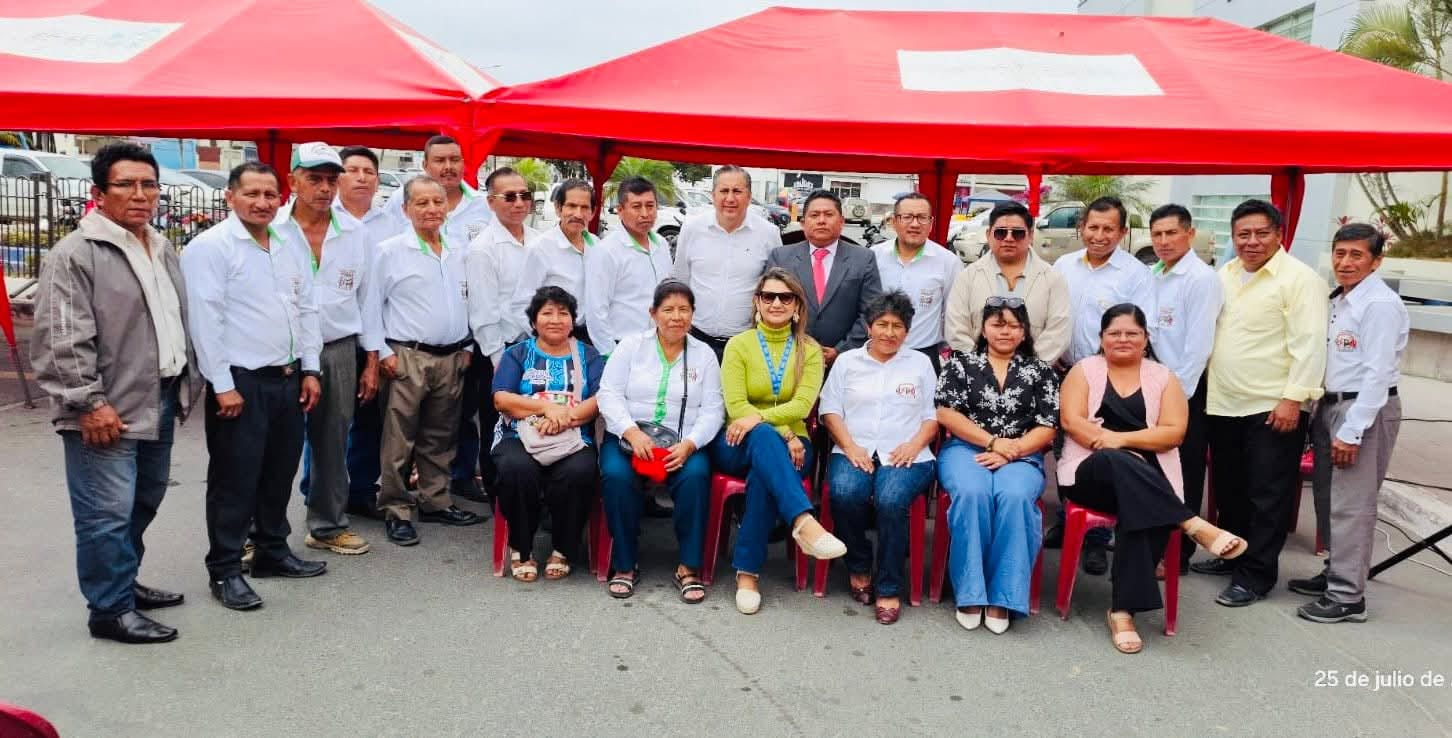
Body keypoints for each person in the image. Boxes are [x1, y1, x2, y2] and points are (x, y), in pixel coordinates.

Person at [32, 143, 195, 642]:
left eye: (149, 184)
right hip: (106, 408)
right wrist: (88, 402)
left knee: (142, 500)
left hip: (157, 396)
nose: (140, 194)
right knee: (105, 514)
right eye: (126, 184)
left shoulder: (159, 246)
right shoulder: (76, 254)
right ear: (99, 193)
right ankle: (109, 610)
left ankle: (123, 583)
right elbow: (62, 338)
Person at [1058, 304, 1248, 653]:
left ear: (1146, 339)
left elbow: (1174, 433)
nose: (1123, 339)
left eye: (1132, 333)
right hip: (1090, 473)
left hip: (1147, 478)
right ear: (1101, 338)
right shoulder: (1083, 371)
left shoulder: (1163, 377)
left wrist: (1121, 441)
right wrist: (1116, 449)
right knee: (1118, 465)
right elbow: (1072, 422)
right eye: (1114, 333)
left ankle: (1122, 612)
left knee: (1139, 501)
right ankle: (1189, 521)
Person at [181, 162, 327, 611]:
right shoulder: (211, 247)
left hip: (287, 377)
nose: (262, 203)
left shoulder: (287, 241)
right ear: (230, 197)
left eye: (270, 194)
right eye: (251, 194)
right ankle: (225, 569)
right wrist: (221, 385)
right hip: (240, 382)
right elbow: (205, 320)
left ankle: (271, 551)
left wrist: (311, 368)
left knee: (279, 471)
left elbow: (306, 307)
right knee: (234, 479)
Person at [1197, 199, 1328, 608]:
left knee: (1267, 494)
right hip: (1224, 402)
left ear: (1279, 235)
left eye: (1261, 233)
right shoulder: (1225, 274)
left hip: (1272, 406)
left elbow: (1310, 344)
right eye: (1243, 234)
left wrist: (1293, 399)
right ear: (1232, 237)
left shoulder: (1300, 280)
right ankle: (1233, 554)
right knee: (1230, 489)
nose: (1251, 241)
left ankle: (1256, 576)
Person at [1290, 224, 1408, 624]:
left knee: (1352, 504)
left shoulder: (1379, 304)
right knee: (1328, 497)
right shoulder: (1340, 299)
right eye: (1340, 253)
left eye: (1356, 255)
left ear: (1376, 261)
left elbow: (1378, 373)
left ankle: (1347, 596)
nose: (1345, 262)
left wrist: (1353, 430)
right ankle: (1334, 573)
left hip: (1362, 409)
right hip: (1331, 404)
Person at [713, 268, 845, 614]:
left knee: (764, 474)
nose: (776, 303)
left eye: (785, 297)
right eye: (768, 296)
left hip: (792, 445)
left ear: (797, 306)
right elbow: (736, 406)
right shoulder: (738, 345)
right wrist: (784, 432)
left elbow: (803, 405)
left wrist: (763, 421)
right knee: (763, 439)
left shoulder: (809, 350)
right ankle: (803, 520)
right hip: (738, 440)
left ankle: (747, 573)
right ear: (757, 302)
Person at [363, 176, 485, 547]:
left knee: (440, 435)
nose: (432, 209)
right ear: (405, 209)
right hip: (406, 357)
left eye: (437, 202)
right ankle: (396, 509)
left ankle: (435, 500)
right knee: (398, 439)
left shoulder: (459, 249)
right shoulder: (389, 251)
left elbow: (469, 300)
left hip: (452, 357)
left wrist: (468, 346)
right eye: (422, 203)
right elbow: (370, 306)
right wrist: (382, 353)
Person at [935, 298, 1059, 634]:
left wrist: (1012, 449)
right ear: (984, 329)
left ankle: (1004, 595)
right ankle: (971, 592)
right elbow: (946, 413)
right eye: (998, 324)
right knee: (972, 492)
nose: (1006, 332)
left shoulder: (1041, 371)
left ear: (1024, 332)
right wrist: (993, 443)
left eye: (1014, 326)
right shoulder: (960, 364)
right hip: (966, 449)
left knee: (1014, 497)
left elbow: (1048, 426)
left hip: (1022, 453)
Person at [276, 142, 374, 557]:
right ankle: (259, 533)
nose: (324, 188)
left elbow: (368, 300)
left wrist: (370, 360)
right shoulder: (272, 228)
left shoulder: (355, 232)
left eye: (331, 180)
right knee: (274, 444)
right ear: (292, 180)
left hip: (337, 348)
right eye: (314, 178)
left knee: (333, 440)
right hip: (283, 351)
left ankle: (328, 525)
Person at [597, 281, 724, 601]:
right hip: (629, 439)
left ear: (693, 315)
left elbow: (713, 409)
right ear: (653, 314)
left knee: (696, 476)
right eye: (668, 309)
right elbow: (608, 394)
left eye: (684, 310)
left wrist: (691, 443)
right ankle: (625, 563)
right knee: (616, 476)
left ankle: (688, 566)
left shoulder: (704, 355)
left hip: (682, 442)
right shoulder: (631, 346)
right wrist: (630, 431)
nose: (676, 317)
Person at [818, 292, 939, 624]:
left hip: (908, 454)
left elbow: (933, 415)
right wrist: (850, 446)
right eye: (882, 324)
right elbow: (830, 410)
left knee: (890, 499)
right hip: (854, 447)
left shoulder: (920, 364)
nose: (889, 332)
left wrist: (914, 444)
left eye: (897, 326)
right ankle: (859, 564)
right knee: (845, 492)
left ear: (907, 331)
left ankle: (888, 586)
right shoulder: (847, 362)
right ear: (869, 327)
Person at [1051, 196, 1155, 575]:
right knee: (1064, 448)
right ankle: (1067, 519)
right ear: (1082, 228)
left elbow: (1140, 328)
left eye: (1108, 228)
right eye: (1092, 227)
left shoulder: (1135, 275)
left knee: (1097, 450)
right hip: (1064, 371)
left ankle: (1096, 539)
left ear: (1122, 232)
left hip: (1109, 377)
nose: (1099, 235)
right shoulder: (1063, 266)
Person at [491, 286, 605, 582]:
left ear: (572, 321)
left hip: (573, 435)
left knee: (579, 471)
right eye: (547, 313)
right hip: (518, 435)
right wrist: (545, 409)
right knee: (516, 468)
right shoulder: (517, 354)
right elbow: (501, 399)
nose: (555, 320)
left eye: (563, 313)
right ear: (533, 321)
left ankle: (563, 548)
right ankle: (521, 547)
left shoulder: (588, 355)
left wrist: (563, 419)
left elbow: (599, 400)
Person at [1145, 204, 1223, 568]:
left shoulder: (1201, 279)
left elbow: (1198, 347)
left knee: (1184, 471)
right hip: (1154, 385)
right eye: (1157, 234)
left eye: (1171, 233)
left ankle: (1179, 554)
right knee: (1155, 468)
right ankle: (1153, 543)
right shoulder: (1155, 273)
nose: (1164, 241)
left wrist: (1176, 398)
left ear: (1190, 234)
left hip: (1184, 390)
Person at [458, 167, 540, 506]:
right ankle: (499, 498)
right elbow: (483, 311)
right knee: (496, 423)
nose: (519, 203)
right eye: (509, 196)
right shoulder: (483, 248)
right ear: (491, 202)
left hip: (536, 345)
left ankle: (531, 493)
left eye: (524, 195)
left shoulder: (539, 240)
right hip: (500, 349)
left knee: (534, 418)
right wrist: (497, 360)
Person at [334, 145, 404, 520]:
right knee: (328, 423)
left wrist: (380, 349)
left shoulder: (391, 223)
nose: (361, 177)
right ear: (338, 176)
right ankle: (321, 495)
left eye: (369, 171)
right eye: (353, 170)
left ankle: (360, 490)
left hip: (377, 335)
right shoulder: (324, 218)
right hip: (336, 338)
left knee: (368, 420)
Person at [671, 165, 781, 359]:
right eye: (724, 191)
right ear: (713, 195)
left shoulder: (768, 234)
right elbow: (681, 282)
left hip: (747, 343)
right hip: (696, 339)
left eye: (737, 191)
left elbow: (776, 289)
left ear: (749, 196)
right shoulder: (692, 229)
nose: (730, 198)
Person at [764, 189, 883, 365]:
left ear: (841, 221)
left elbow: (872, 311)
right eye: (814, 215)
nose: (821, 220)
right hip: (788, 358)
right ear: (803, 223)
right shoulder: (781, 257)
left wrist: (841, 350)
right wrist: (793, 346)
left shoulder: (864, 258)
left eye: (828, 214)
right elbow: (769, 305)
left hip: (845, 361)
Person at [944, 201, 1071, 365]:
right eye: (1001, 233)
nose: (1009, 238)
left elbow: (1058, 332)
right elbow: (956, 330)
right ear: (988, 234)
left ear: (1031, 236)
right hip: (977, 373)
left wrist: (1029, 369)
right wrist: (983, 368)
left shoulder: (1053, 279)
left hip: (1035, 373)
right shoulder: (967, 277)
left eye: (1017, 233)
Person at [871, 193, 963, 373]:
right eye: (907, 217)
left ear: (931, 223)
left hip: (923, 355)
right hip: (876, 353)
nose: (915, 224)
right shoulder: (874, 256)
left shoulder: (948, 262)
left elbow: (953, 314)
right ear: (894, 221)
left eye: (922, 217)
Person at [583, 176, 673, 354]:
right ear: (620, 210)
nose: (645, 213)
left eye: (650, 206)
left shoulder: (661, 244)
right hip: (623, 346)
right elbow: (596, 311)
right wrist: (610, 354)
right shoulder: (606, 251)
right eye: (636, 206)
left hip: (660, 345)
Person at [510, 179, 597, 343]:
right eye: (571, 206)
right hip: (554, 337)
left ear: (592, 212)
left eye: (585, 207)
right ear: (558, 208)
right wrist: (546, 341)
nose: (578, 214)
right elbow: (521, 303)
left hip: (590, 336)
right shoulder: (540, 248)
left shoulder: (597, 245)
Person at [382, 134, 492, 244]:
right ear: (425, 165)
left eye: (454, 160)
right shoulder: (401, 198)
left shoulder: (485, 204)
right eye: (440, 160)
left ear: (463, 164)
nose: (448, 167)